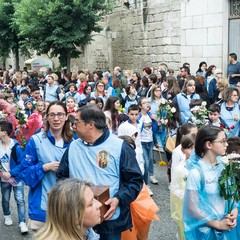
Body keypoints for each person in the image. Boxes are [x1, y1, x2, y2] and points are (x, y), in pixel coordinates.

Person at [57, 105, 143, 240]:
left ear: (90, 125)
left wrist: (119, 199)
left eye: (77, 122)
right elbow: (62, 177)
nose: (73, 126)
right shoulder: (73, 146)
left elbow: (134, 181)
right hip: (78, 220)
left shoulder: (120, 147)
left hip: (109, 220)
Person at [4, 101, 73, 230]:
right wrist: (44, 167)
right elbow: (25, 173)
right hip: (42, 208)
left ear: (66, 116)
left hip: (67, 209)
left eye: (60, 114)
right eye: (52, 115)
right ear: (46, 117)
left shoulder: (74, 143)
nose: (56, 118)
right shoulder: (36, 141)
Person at [183, 125, 238, 239]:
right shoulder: (196, 173)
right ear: (209, 145)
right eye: (222, 141)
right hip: (207, 231)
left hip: (226, 227)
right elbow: (192, 208)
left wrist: (234, 212)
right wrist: (217, 224)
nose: (226, 144)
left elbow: (231, 195)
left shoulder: (224, 167)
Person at [33, 178, 102, 240]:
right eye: (90, 204)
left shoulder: (87, 233)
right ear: (74, 216)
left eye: (94, 199)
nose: (99, 204)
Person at [0, 121, 28, 234]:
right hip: (3, 179)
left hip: (16, 178)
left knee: (20, 199)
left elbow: (22, 164)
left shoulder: (16, 146)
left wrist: (11, 173)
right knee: (5, 199)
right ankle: (7, 216)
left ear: (4, 133)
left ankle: (22, 222)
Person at [170, 133, 196, 240]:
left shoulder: (202, 167)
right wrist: (187, 194)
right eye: (190, 148)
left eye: (195, 148)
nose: (193, 151)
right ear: (182, 150)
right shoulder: (180, 169)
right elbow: (174, 188)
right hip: (184, 206)